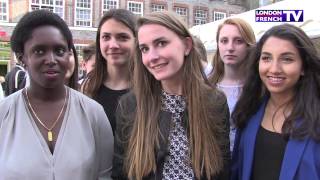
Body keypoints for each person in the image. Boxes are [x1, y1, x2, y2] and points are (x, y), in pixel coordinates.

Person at [112, 12, 230, 180]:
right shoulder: (131, 105)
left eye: (161, 43)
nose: (152, 57)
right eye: (144, 48)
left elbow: (222, 170)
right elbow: (120, 172)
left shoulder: (215, 102)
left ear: (187, 46)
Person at [0, 10, 113, 179]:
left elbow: (105, 175)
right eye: (39, 51)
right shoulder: (4, 114)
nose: (51, 59)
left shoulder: (93, 114)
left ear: (69, 55)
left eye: (60, 51)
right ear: (22, 58)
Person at [231, 24, 320, 180]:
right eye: (266, 58)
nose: (274, 69)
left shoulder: (316, 118)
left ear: (304, 67)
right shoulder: (249, 112)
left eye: (287, 59)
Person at [81, 9, 136, 134]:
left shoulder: (150, 87)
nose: (113, 45)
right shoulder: (88, 87)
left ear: (136, 41)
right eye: (106, 37)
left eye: (122, 37)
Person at [209, 18, 256, 151]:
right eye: (224, 41)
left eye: (238, 41)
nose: (230, 48)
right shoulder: (206, 86)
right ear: (218, 45)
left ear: (249, 45)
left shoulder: (260, 88)